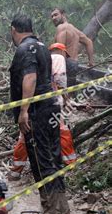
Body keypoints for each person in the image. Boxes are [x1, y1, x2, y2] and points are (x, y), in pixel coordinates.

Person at [9, 13, 70, 214]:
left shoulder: (24, 49)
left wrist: (24, 111)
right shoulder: (43, 46)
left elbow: (30, 77)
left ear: (13, 30)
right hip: (50, 108)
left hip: (37, 111)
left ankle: (51, 211)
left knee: (40, 159)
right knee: (53, 157)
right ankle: (62, 208)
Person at [8, 43, 77, 181]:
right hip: (51, 104)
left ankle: (16, 171)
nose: (65, 57)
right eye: (65, 54)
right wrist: (66, 99)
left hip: (32, 105)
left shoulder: (38, 60)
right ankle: (71, 165)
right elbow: (60, 80)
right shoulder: (58, 57)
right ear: (60, 51)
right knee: (62, 131)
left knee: (26, 135)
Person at [51, 8, 94, 87]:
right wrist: (91, 62)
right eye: (52, 16)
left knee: (61, 93)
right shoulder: (74, 29)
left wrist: (58, 70)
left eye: (56, 15)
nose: (53, 18)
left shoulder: (61, 27)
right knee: (69, 92)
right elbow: (89, 42)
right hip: (74, 64)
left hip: (65, 64)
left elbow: (60, 49)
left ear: (63, 15)